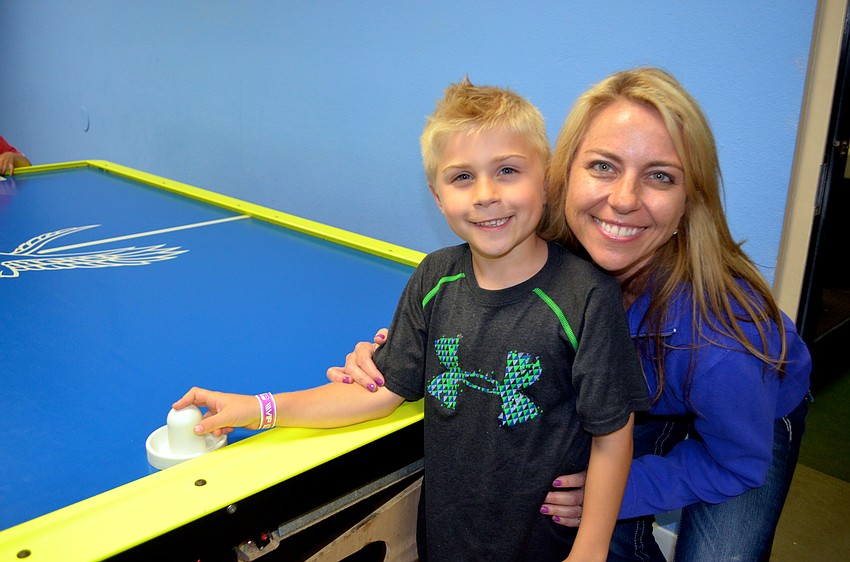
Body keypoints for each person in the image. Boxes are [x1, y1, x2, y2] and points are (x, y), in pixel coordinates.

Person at [329, 67, 812, 562]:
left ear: (690, 200)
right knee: (582, 514)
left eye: (660, 176)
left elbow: (736, 462)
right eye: (603, 166)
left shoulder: (722, 346)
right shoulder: (544, 239)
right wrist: (392, 355)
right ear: (563, 173)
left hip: (743, 424)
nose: (622, 201)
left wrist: (627, 489)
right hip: (636, 400)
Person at [174, 77, 650, 562]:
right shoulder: (434, 278)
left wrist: (589, 550)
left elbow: (613, 432)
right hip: (446, 541)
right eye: (462, 177)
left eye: (507, 170)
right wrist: (257, 408)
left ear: (546, 180)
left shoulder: (587, 296)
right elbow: (379, 392)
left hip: (544, 547)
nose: (485, 194)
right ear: (437, 195)